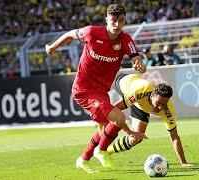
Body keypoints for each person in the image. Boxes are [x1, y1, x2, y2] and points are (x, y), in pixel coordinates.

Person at [45, 4, 147, 173]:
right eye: (113, 20)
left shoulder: (126, 40)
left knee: (104, 129)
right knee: (119, 119)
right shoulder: (91, 32)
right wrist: (53, 47)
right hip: (84, 90)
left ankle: (83, 159)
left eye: (120, 20)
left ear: (124, 21)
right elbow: (71, 34)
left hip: (101, 91)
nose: (116, 24)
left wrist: (140, 64)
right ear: (107, 19)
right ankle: (101, 151)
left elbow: (136, 58)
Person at [107, 73, 192, 167]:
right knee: (113, 118)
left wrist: (183, 163)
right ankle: (101, 147)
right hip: (123, 83)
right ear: (152, 95)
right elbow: (114, 110)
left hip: (140, 104)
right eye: (158, 103)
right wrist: (128, 131)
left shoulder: (168, 110)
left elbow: (175, 137)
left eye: (164, 104)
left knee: (137, 138)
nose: (160, 107)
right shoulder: (139, 92)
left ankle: (108, 152)